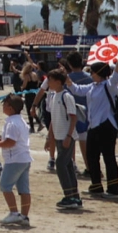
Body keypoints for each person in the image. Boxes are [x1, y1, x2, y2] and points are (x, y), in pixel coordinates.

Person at [44, 67, 82, 211]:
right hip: (59, 136)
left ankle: (69, 196)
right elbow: (53, 119)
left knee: (61, 165)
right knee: (67, 166)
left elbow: (73, 117)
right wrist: (49, 137)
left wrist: (68, 136)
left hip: (67, 136)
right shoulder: (53, 96)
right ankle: (74, 196)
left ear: (59, 82)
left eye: (51, 81)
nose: (49, 83)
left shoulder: (66, 96)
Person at [83, 60, 118, 198]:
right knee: (91, 156)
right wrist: (67, 78)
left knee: (108, 157)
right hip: (93, 125)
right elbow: (76, 89)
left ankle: (113, 189)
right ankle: (96, 185)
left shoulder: (109, 85)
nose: (91, 74)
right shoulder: (92, 86)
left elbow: (116, 75)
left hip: (107, 125)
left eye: (92, 72)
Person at [0, 94, 33, 228]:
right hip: (25, 158)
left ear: (10, 108)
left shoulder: (11, 122)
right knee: (24, 189)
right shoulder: (21, 121)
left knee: (5, 185)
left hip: (14, 159)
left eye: (5, 105)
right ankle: (24, 216)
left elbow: (11, 142)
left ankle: (14, 212)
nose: (3, 107)